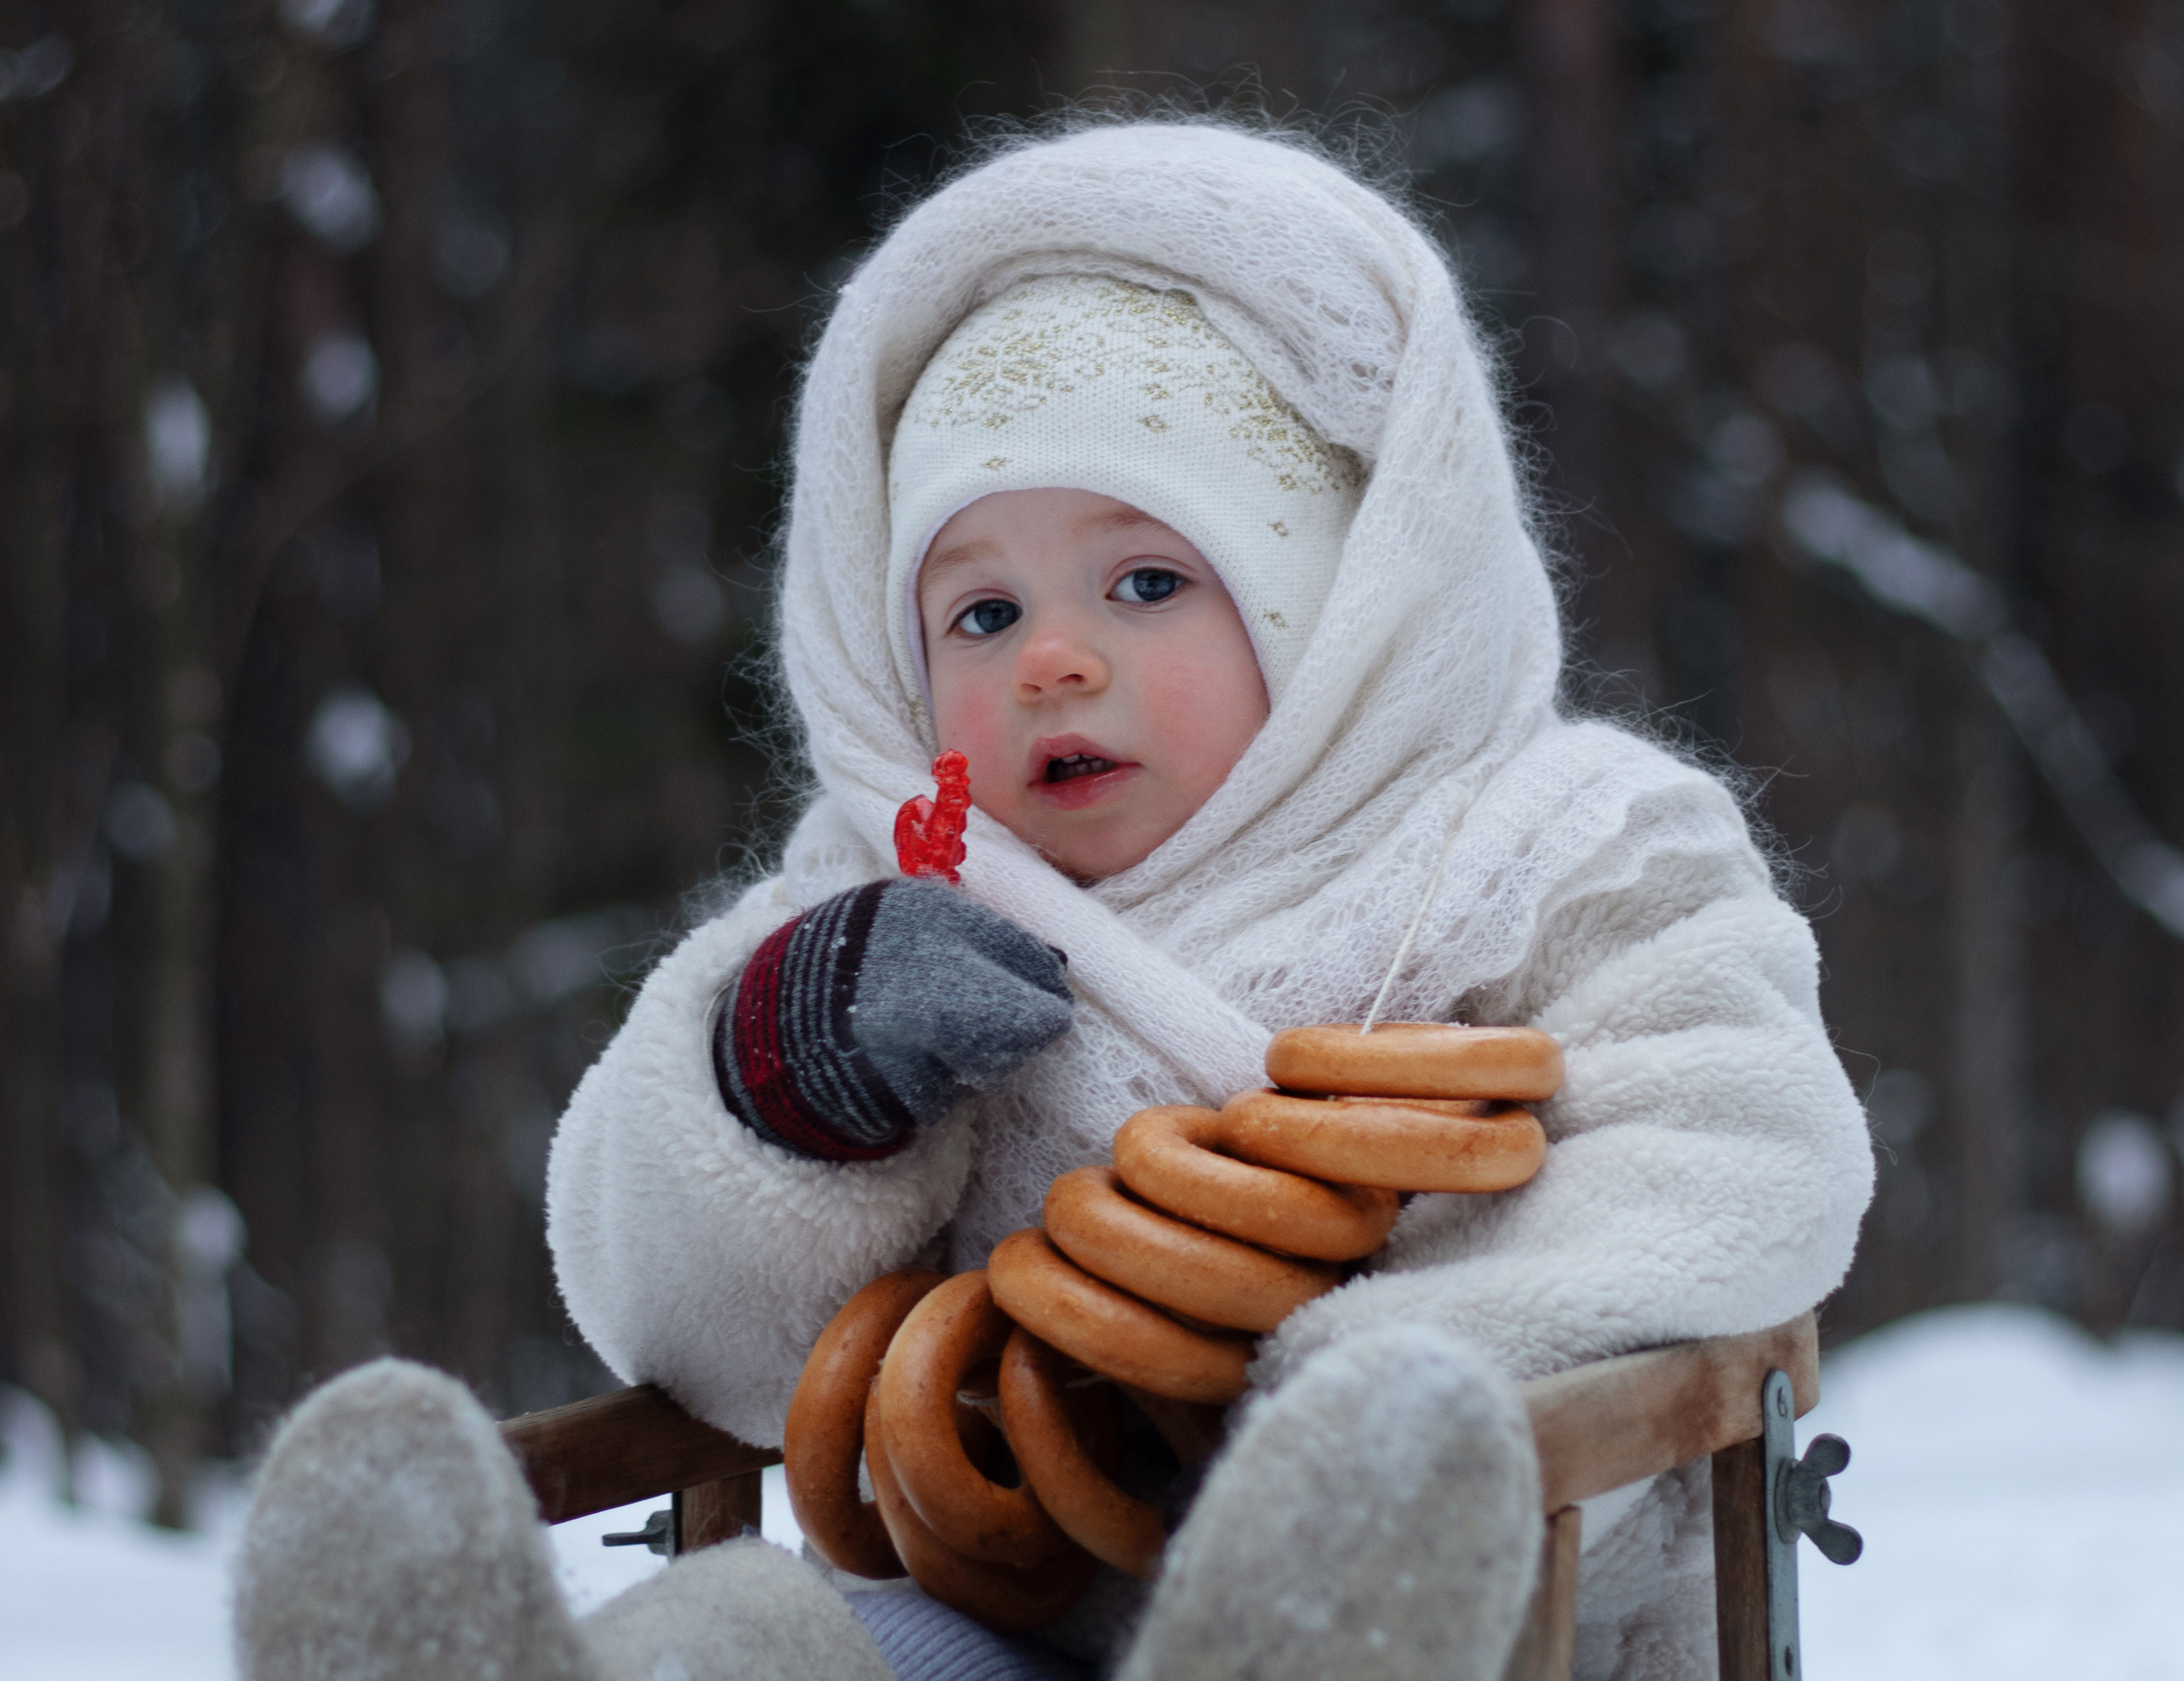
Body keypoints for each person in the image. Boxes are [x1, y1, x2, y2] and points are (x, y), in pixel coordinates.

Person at [233, 119, 1874, 1681]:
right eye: (980, 609)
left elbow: (1735, 1158)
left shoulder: (1566, 847)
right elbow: (667, 1315)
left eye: (1147, 580)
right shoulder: (895, 897)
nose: (1052, 659)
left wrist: (1367, 1399)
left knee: (1364, 1568)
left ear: (1340, 613)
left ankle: (1309, 1587)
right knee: (746, 1632)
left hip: (1486, 1617)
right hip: (1007, 1621)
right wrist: (787, 1086)